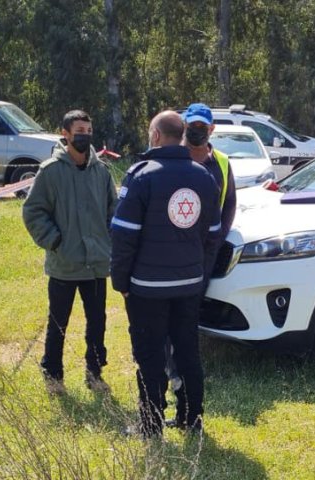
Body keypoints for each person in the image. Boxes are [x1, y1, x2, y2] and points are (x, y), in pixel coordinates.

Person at [111, 110, 221, 437]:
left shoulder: (141, 176)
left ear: (156, 136)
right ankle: (191, 419)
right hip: (188, 285)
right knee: (188, 351)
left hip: (147, 287)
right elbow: (212, 232)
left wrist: (121, 281)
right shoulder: (204, 177)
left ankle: (151, 425)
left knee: (150, 356)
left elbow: (123, 234)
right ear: (183, 135)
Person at [22, 109, 118, 395]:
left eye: (88, 130)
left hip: (96, 264)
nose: (84, 135)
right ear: (65, 133)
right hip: (64, 263)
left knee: (97, 323)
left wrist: (109, 243)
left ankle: (95, 373)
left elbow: (113, 211)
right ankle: (53, 376)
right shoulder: (50, 171)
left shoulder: (101, 171)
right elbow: (32, 211)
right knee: (58, 324)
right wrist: (54, 241)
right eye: (78, 130)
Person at [161, 103, 238, 397]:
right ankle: (170, 366)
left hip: (204, 251)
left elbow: (229, 202)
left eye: (202, 127)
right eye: (192, 126)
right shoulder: (174, 158)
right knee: (166, 310)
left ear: (211, 130)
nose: (197, 132)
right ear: (184, 126)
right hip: (172, 248)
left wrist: (219, 239)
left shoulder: (221, 161)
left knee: (188, 312)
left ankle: (182, 368)